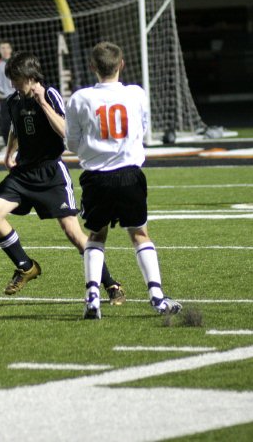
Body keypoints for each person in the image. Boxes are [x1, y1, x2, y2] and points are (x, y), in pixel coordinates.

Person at [0, 51, 125, 303]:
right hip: (23, 173)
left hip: (51, 172)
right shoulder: (13, 100)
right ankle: (26, 267)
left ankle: (111, 284)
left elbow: (65, 132)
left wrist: (43, 105)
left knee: (73, 233)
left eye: (16, 78)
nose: (12, 84)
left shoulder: (49, 95)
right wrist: (9, 152)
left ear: (30, 77)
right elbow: (16, 127)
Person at [66, 41, 181, 320]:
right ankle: (157, 296)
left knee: (96, 236)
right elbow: (142, 129)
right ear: (122, 64)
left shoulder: (80, 98)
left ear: (92, 66)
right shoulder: (136, 94)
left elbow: (71, 143)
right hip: (130, 175)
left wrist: (94, 151)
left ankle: (92, 297)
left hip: (96, 178)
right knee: (140, 234)